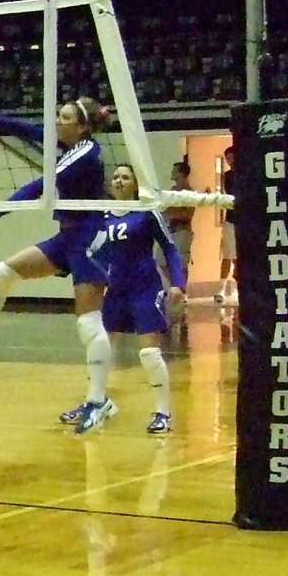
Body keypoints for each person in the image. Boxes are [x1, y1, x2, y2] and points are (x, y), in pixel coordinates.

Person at [0, 96, 114, 434]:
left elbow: (40, 186)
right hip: (67, 237)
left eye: (63, 118)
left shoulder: (85, 153)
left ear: (82, 127)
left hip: (89, 238)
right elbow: (31, 130)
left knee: (89, 325)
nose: (56, 123)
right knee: (3, 271)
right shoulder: (68, 144)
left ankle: (97, 402)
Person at [88, 165, 186, 433]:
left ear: (134, 184)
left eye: (125, 177)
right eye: (116, 177)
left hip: (144, 288)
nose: (119, 181)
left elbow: (170, 248)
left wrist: (178, 283)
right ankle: (95, 402)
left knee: (149, 352)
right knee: (101, 347)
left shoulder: (146, 211)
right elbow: (94, 251)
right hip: (116, 290)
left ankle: (163, 413)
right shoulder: (103, 216)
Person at [163, 160, 195, 268]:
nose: (172, 172)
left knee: (181, 264)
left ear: (181, 173)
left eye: (174, 170)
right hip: (170, 230)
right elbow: (166, 209)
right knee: (161, 260)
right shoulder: (172, 191)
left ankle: (181, 284)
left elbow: (188, 214)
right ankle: (175, 282)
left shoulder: (189, 192)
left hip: (183, 231)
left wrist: (173, 214)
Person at [215, 145, 236, 303]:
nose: (229, 161)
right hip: (231, 220)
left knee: (240, 257)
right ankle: (221, 289)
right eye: (227, 159)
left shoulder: (248, 173)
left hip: (245, 221)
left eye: (231, 158)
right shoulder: (228, 176)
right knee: (227, 255)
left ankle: (240, 288)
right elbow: (229, 193)